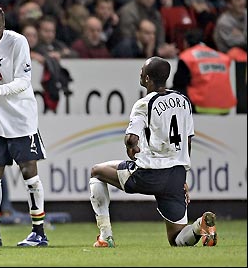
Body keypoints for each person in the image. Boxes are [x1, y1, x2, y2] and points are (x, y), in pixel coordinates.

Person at [88, 56, 217, 248]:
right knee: (177, 239)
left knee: (97, 172)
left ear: (147, 78)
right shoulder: (183, 101)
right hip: (176, 175)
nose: (140, 72)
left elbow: (131, 138)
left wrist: (131, 146)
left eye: (142, 70)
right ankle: (200, 227)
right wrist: (183, 177)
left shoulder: (144, 104)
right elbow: (187, 140)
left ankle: (105, 237)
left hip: (149, 174)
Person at [0, 3, 48, 247]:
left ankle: (39, 232)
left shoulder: (18, 42)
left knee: (29, 174)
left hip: (21, 120)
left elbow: (24, 82)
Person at [172, 29, 237, 115]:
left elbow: (178, 82)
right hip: (225, 107)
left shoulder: (187, 56)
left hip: (200, 105)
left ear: (186, 43)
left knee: (173, 92)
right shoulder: (222, 57)